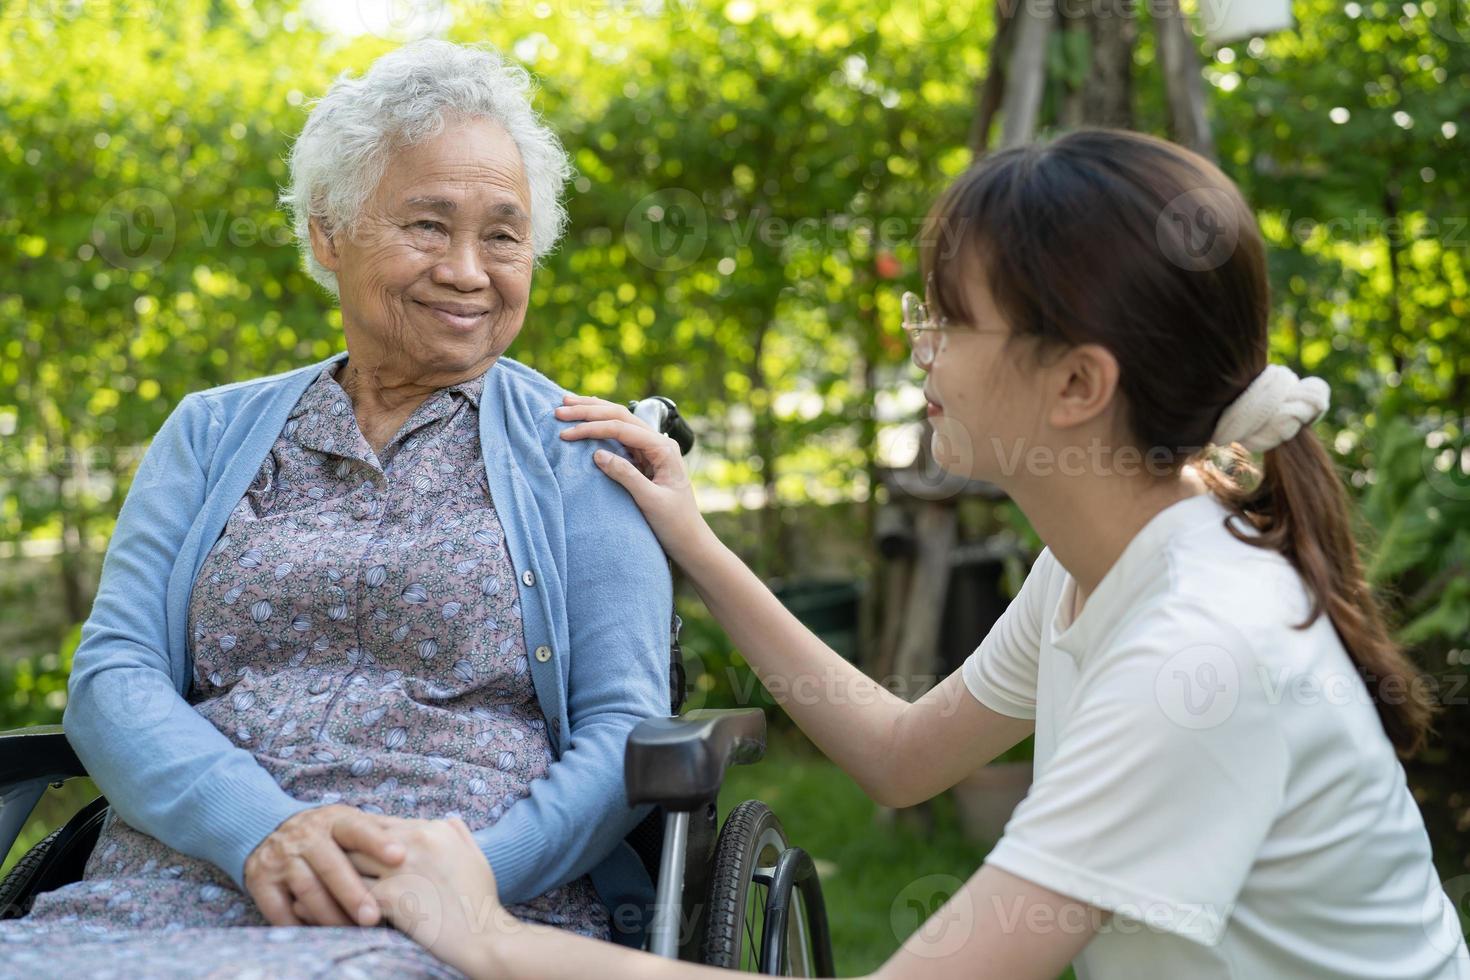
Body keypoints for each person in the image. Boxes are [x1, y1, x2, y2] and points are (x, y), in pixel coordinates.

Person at [336, 129, 1470, 979]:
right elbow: (898, 751)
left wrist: (489, 935)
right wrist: (696, 541)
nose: (918, 346)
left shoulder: (1200, 650)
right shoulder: (1100, 563)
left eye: (951, 319)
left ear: (1078, 383)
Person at [0, 39, 672, 977]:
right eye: (428, 226)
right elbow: (113, 677)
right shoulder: (209, 434)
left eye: (505, 234)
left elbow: (627, 733)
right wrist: (258, 829)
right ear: (328, 233)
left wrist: (473, 875)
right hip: (167, 887)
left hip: (457, 909)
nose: (470, 270)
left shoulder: (579, 453)